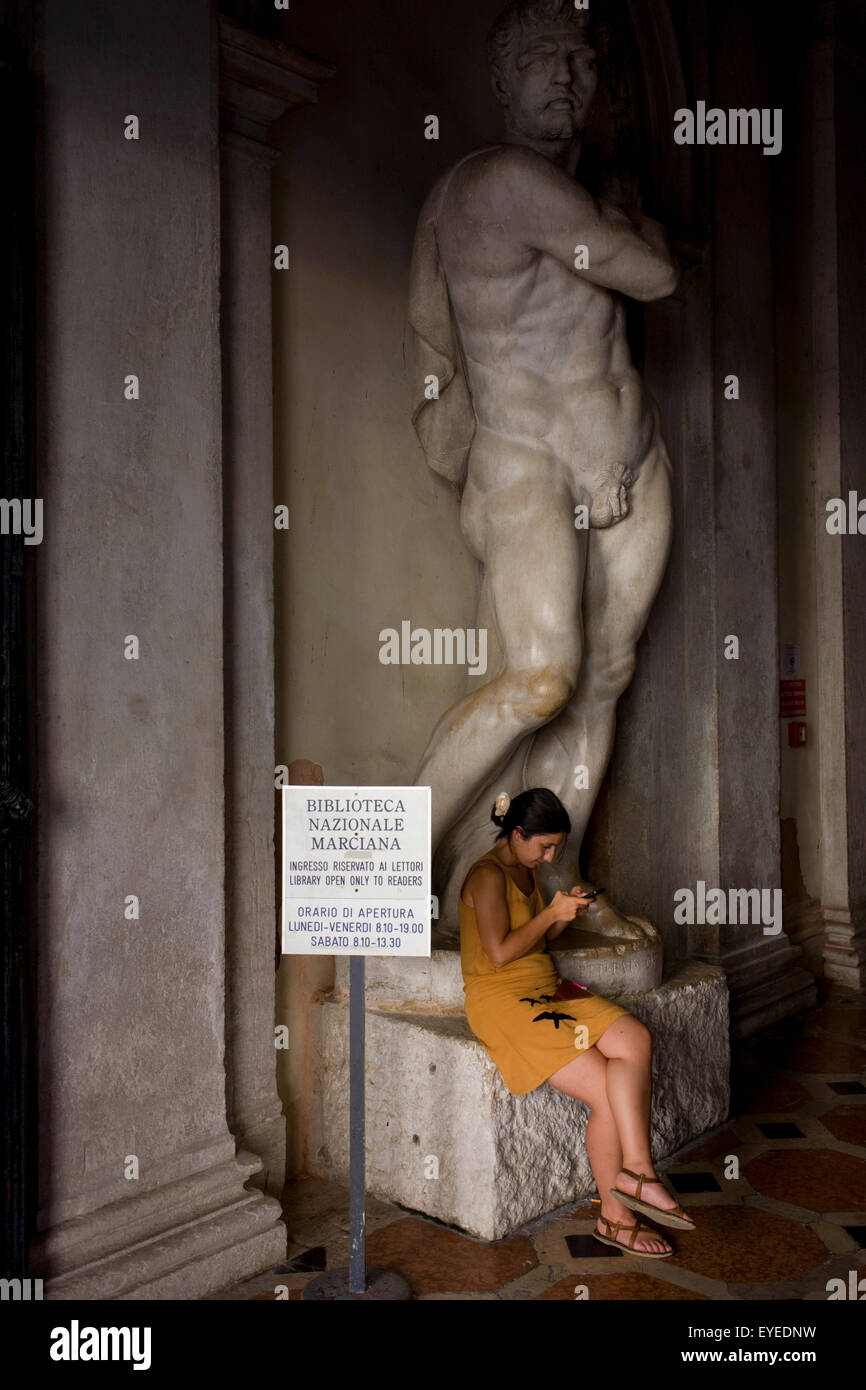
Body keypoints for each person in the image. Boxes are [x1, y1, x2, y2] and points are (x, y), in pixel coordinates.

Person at [458, 787, 696, 1257]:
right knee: (609, 1089)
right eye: (543, 846)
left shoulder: (524, 867)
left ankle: (638, 1171)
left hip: (545, 986)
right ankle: (617, 1216)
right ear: (517, 832)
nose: (549, 858)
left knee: (635, 1037)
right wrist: (551, 911)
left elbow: (535, 940)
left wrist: (564, 912)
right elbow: (500, 953)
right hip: (503, 1000)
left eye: (555, 849)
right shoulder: (486, 876)